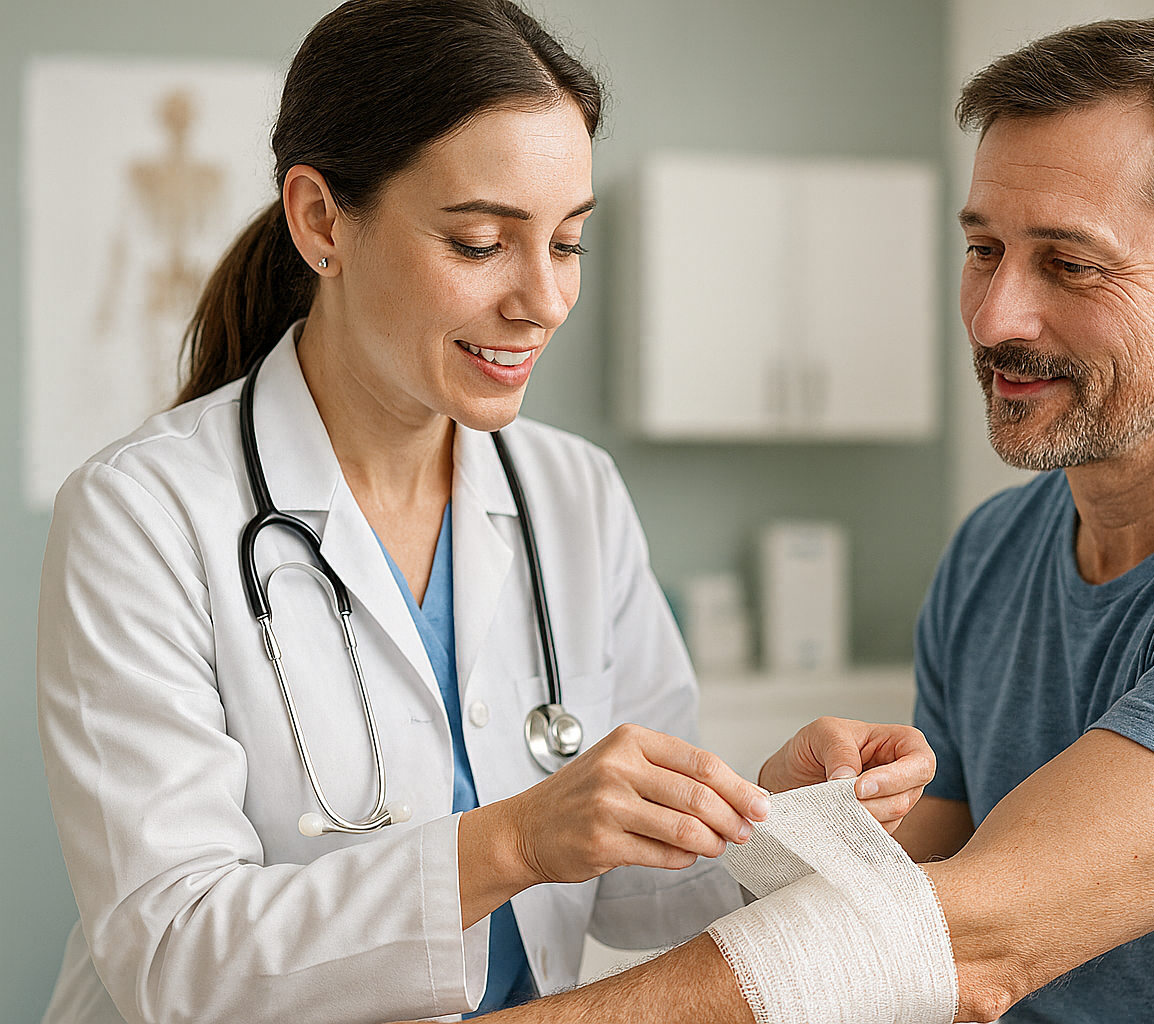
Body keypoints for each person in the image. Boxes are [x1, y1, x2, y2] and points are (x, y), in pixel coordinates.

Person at [441, 18, 1154, 1024]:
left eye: (1070, 263)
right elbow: (913, 900)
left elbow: (965, 943)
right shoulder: (994, 556)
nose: (996, 317)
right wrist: (793, 829)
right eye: (985, 248)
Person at [34, 3, 933, 1022]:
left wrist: (773, 814)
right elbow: (174, 956)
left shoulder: (573, 494)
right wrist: (514, 839)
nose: (544, 299)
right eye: (479, 242)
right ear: (321, 219)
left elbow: (642, 896)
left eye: (569, 242)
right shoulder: (141, 513)